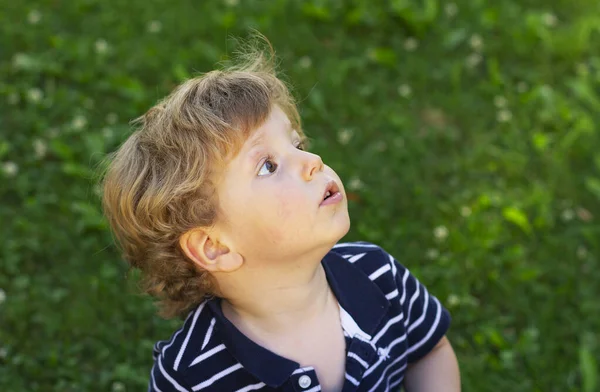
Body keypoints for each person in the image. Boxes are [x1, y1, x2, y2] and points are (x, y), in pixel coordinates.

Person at [101, 34, 461, 392]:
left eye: (297, 144)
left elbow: (428, 352)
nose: (312, 161)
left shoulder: (379, 277)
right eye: (268, 166)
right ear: (215, 247)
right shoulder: (191, 376)